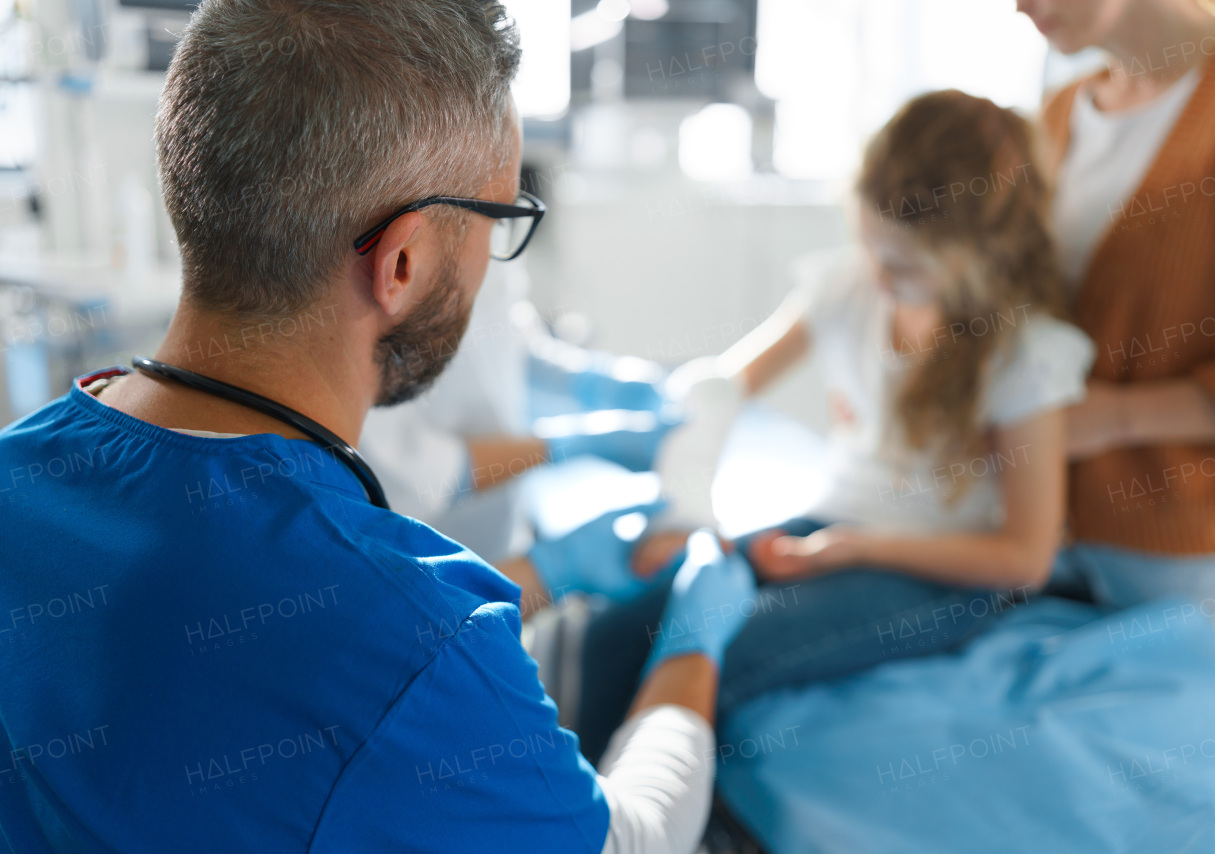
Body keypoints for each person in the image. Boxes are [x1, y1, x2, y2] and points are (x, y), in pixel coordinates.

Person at [0, 2, 756, 851]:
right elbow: (633, 841)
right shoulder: (424, 654)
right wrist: (694, 635)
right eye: (498, 222)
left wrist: (545, 571)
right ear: (400, 264)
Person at [574, 90, 1097, 761]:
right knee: (614, 635)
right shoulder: (849, 288)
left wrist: (856, 548)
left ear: (979, 256)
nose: (878, 274)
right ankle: (570, 816)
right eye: (870, 243)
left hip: (947, 573)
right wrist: (688, 514)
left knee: (709, 657)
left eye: (904, 265)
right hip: (832, 528)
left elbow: (1026, 557)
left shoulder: (1025, 358)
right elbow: (717, 392)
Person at [1017, 0, 1215, 663]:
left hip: (1188, 553)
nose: (1017, 5)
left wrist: (1110, 418)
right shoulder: (1059, 113)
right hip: (1039, 537)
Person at [359, 257, 675, 566]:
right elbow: (416, 474)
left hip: (503, 541)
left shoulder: (494, 229)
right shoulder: (367, 299)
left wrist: (603, 383)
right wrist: (564, 446)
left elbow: (506, 336)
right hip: (429, 559)